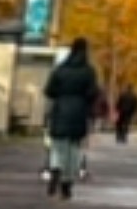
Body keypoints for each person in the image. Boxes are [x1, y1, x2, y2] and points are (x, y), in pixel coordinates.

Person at [41, 36, 99, 200]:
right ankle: (66, 183)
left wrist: (60, 96)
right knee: (73, 148)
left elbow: (49, 91)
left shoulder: (60, 69)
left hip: (60, 110)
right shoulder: (88, 71)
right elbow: (93, 93)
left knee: (58, 145)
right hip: (79, 112)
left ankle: (55, 168)